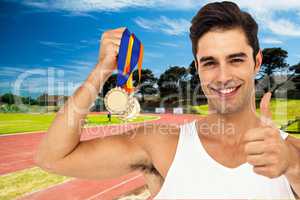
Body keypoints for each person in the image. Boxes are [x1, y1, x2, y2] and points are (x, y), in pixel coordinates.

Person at [35, 1, 300, 199]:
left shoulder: (293, 153)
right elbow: (52, 158)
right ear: (197, 67)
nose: (222, 76)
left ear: (257, 62)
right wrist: (102, 69)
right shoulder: (161, 143)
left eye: (236, 59)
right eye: (209, 63)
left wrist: (290, 163)